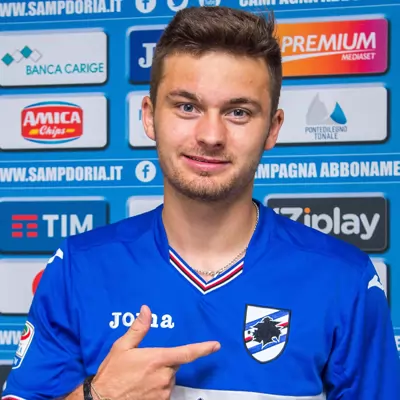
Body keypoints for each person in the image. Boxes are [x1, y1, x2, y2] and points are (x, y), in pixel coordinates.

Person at [2, 6, 399, 400]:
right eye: (187, 107)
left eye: (238, 112)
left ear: (272, 129)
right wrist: (99, 396)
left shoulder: (344, 279)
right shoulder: (79, 266)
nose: (211, 135)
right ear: (149, 117)